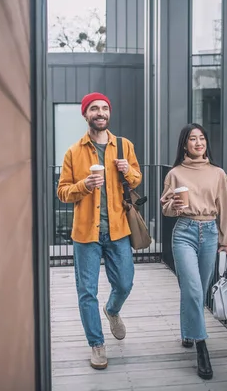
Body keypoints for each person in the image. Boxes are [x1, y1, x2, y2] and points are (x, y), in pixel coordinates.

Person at [57, 92, 142, 370]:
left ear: (109, 113)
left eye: (105, 108)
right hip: (86, 234)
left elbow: (137, 178)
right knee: (87, 292)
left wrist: (127, 170)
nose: (100, 112)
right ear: (86, 114)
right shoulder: (74, 151)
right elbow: (62, 192)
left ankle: (113, 310)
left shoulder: (124, 146)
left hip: (118, 230)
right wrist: (85, 185)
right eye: (94, 108)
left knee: (125, 283)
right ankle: (96, 343)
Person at [160, 123, 227, 380]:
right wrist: (176, 206)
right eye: (193, 139)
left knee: (198, 292)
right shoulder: (175, 173)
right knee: (191, 288)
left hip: (210, 233)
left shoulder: (218, 173)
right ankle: (201, 346)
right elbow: (166, 208)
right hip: (184, 233)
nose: (198, 142)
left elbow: (224, 207)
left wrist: (226, 239)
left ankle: (187, 332)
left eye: (202, 138)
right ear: (184, 144)